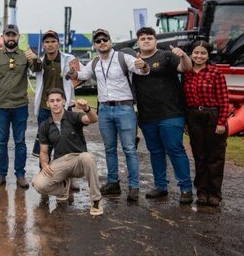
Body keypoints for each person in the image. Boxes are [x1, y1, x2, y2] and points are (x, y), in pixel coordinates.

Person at [67, 28, 149, 201]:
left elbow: (141, 69)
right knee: (109, 148)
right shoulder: (95, 62)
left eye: (105, 39)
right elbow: (83, 74)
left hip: (124, 108)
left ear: (110, 41)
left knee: (129, 149)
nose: (102, 42)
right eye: (98, 41)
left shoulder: (123, 57)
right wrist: (74, 73)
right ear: (94, 45)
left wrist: (144, 65)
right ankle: (113, 183)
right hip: (104, 110)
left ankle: (134, 187)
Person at [132, 27, 193, 204]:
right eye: (142, 38)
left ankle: (186, 189)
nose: (146, 40)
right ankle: (161, 186)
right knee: (156, 152)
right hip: (147, 116)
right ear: (138, 42)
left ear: (155, 40)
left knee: (175, 149)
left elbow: (186, 68)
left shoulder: (167, 56)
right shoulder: (133, 61)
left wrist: (183, 55)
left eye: (149, 37)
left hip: (171, 114)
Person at [0, 24, 42, 188]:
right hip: (0, 106)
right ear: (3, 37)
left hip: (20, 106)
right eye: (8, 35)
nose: (11, 38)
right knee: (1, 142)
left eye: (13, 35)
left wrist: (35, 58)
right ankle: (1, 174)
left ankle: (20, 174)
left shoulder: (25, 55)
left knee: (20, 142)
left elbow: (37, 69)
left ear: (18, 37)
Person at [31, 88, 103, 216]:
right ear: (47, 104)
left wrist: (86, 108)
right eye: (52, 101)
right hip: (60, 162)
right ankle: (63, 188)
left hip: (78, 160)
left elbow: (93, 119)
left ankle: (96, 200)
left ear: (64, 101)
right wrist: (45, 164)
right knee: (38, 184)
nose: (55, 103)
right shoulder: (45, 125)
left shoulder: (73, 116)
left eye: (58, 100)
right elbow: (43, 151)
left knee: (88, 157)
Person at [183, 41, 229, 207]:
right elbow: (184, 100)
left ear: (208, 55)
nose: (199, 56)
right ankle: (202, 192)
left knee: (215, 157)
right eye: (196, 52)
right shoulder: (187, 73)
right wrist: (186, 122)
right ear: (191, 54)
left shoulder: (215, 72)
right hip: (194, 116)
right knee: (199, 156)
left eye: (203, 53)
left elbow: (224, 99)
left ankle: (214, 193)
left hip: (213, 115)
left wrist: (222, 122)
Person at [32, 30, 78, 159]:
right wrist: (33, 58)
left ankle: (64, 176)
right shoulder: (39, 62)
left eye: (53, 41)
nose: (50, 44)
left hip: (63, 108)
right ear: (43, 45)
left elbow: (81, 76)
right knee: (44, 144)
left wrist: (74, 76)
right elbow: (31, 68)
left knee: (64, 142)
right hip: (44, 108)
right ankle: (44, 173)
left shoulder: (69, 59)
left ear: (58, 43)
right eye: (47, 42)